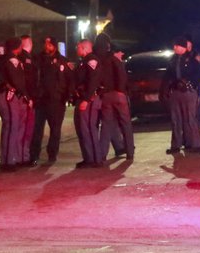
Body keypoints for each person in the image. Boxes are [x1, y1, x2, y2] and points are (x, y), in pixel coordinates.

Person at [29, 36, 71, 164]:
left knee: (55, 129)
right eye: (45, 44)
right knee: (37, 129)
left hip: (56, 101)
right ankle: (34, 155)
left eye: (49, 44)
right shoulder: (37, 59)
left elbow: (69, 80)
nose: (47, 47)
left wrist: (65, 97)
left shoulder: (63, 61)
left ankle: (52, 154)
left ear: (54, 46)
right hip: (40, 100)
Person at [162, 36, 200, 154]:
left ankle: (195, 144)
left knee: (190, 118)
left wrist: (190, 82)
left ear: (182, 47)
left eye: (176, 46)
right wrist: (165, 90)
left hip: (189, 92)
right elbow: (167, 76)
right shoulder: (173, 60)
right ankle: (176, 145)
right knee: (176, 119)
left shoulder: (192, 60)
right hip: (176, 92)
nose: (174, 48)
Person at [95, 33, 134, 161]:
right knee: (126, 124)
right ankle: (129, 151)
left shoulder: (97, 60)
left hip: (105, 95)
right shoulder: (113, 59)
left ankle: (102, 155)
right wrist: (121, 90)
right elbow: (122, 75)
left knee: (106, 125)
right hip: (118, 95)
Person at [0, 37, 30, 171]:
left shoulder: (2, 59)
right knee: (12, 126)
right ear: (17, 47)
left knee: (8, 127)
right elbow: (18, 81)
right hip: (8, 95)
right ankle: (8, 162)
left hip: (3, 95)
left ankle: (6, 159)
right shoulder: (13, 60)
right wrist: (26, 94)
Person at [72, 38, 103, 168]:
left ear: (84, 48)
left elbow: (93, 81)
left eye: (78, 47)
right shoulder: (83, 62)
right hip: (82, 98)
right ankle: (88, 157)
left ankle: (95, 159)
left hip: (89, 100)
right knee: (82, 129)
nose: (76, 50)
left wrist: (86, 99)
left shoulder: (91, 61)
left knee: (89, 129)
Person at [17, 35, 37, 165]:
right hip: (26, 99)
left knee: (19, 128)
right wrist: (30, 97)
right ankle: (24, 157)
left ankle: (19, 156)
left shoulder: (17, 58)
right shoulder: (27, 59)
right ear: (30, 44)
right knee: (26, 130)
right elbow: (30, 80)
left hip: (20, 97)